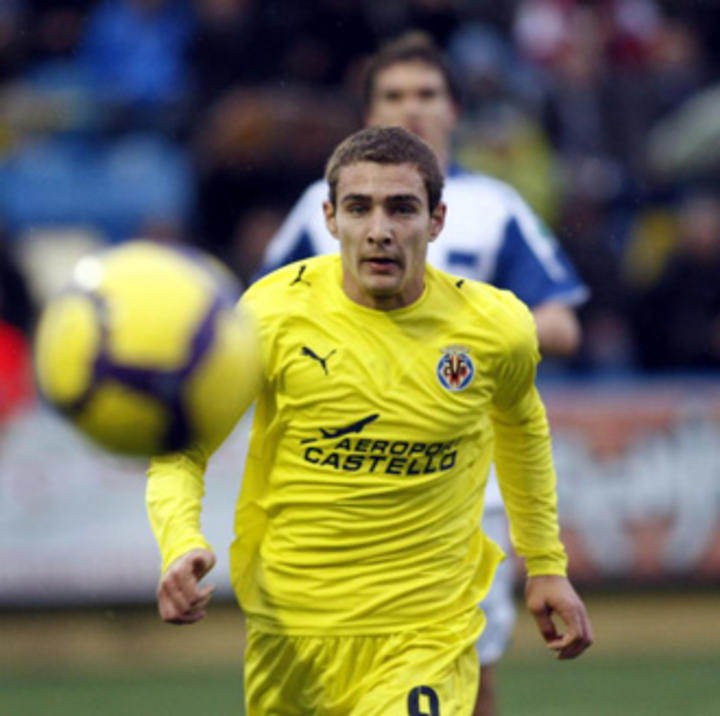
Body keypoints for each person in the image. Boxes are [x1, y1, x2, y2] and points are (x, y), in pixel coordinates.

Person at [146, 125, 592, 715]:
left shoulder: (496, 327)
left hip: (427, 631)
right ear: (331, 219)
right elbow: (183, 447)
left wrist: (546, 566)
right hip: (292, 634)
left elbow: (522, 434)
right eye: (359, 208)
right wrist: (179, 543)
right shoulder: (270, 315)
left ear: (436, 221)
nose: (380, 230)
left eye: (402, 208)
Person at [257, 31, 588, 716]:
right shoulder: (321, 207)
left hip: (463, 477)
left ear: (454, 110)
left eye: (427, 94)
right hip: (344, 486)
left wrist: (460, 336)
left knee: (470, 668)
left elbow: (562, 324)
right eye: (393, 95)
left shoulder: (494, 205)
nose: (411, 108)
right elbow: (257, 329)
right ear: (368, 112)